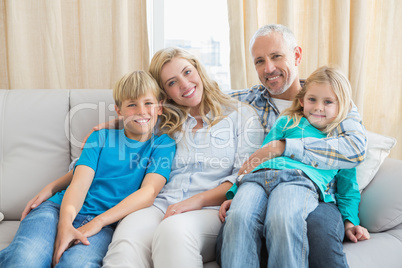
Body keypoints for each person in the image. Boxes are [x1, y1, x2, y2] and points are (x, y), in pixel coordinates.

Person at [19, 47, 264, 267]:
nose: (184, 84)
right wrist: (114, 124)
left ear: (199, 70)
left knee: (174, 233)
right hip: (159, 204)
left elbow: (242, 176)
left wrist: (198, 200)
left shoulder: (242, 115)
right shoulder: (168, 124)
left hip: (208, 208)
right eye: (172, 82)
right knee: (125, 244)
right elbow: (137, 123)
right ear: (164, 94)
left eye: (188, 72)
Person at [215, 24, 367, 267]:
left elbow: (351, 169)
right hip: (259, 180)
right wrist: (235, 191)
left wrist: (351, 220)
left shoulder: (338, 111)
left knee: (284, 219)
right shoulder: (286, 116)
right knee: (237, 220)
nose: (269, 68)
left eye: (276, 56)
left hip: (301, 182)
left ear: (296, 55)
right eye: (259, 61)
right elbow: (259, 154)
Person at [0, 70, 176, 267]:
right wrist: (65, 224)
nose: (142, 111)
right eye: (132, 105)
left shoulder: (163, 145)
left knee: (77, 264)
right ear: (119, 110)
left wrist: (98, 222)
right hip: (57, 210)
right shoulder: (100, 137)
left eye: (148, 103)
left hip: (104, 224)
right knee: (27, 259)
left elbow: (148, 192)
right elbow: (79, 185)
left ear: (160, 107)